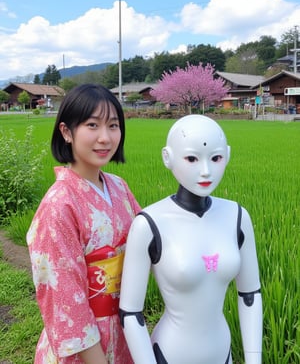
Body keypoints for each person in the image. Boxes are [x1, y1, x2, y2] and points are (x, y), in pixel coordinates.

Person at [119, 114, 262, 364]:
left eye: (216, 158)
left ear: (227, 155)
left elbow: (250, 295)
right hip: (170, 353)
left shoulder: (237, 216)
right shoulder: (149, 223)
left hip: (222, 351)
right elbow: (131, 313)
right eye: (192, 158)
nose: (205, 171)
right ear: (168, 158)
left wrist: (253, 359)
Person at [27, 84, 141, 364]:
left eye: (113, 126)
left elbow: (149, 240)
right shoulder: (59, 206)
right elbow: (64, 298)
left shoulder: (119, 186)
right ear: (66, 132)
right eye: (92, 125)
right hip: (86, 347)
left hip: (123, 327)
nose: (105, 137)